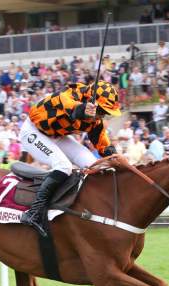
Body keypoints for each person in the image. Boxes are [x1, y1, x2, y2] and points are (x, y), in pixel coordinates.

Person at [19, 81, 120, 236]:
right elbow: (71, 108)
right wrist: (82, 109)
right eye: (102, 110)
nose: (102, 115)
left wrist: (114, 156)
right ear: (90, 100)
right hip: (33, 131)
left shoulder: (95, 120)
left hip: (57, 136)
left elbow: (102, 143)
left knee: (95, 165)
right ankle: (33, 213)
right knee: (63, 166)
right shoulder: (67, 96)